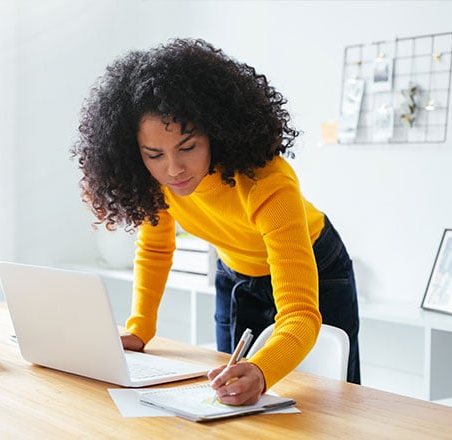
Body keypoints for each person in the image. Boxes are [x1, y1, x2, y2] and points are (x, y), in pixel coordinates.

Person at [71, 38, 360, 406]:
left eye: (187, 148)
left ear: (216, 133)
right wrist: (139, 330)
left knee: (334, 401)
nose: (173, 169)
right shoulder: (157, 184)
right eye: (154, 154)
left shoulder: (268, 184)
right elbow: (156, 248)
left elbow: (300, 314)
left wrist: (263, 371)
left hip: (317, 262)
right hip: (236, 271)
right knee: (230, 394)